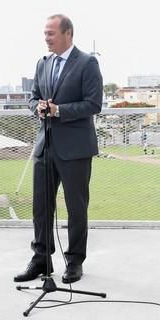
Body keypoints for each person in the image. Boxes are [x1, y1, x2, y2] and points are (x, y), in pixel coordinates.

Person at [13, 14, 103, 284]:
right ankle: (41, 259)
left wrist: (59, 110)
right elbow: (33, 98)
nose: (46, 38)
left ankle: (75, 262)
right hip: (46, 146)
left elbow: (93, 104)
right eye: (45, 33)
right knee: (41, 207)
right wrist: (38, 107)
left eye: (51, 33)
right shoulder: (43, 63)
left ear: (68, 33)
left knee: (76, 208)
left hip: (75, 149)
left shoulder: (87, 63)